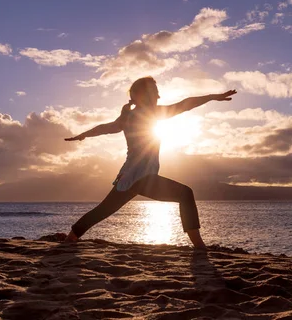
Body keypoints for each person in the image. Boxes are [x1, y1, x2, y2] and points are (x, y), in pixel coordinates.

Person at [63, 76, 236, 249]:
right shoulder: (143, 115)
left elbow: (105, 128)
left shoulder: (128, 117)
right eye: (154, 92)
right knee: (185, 194)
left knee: (103, 210)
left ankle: (71, 238)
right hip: (140, 177)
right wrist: (213, 97)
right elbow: (185, 104)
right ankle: (199, 246)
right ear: (141, 95)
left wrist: (83, 135)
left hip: (130, 178)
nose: (158, 96)